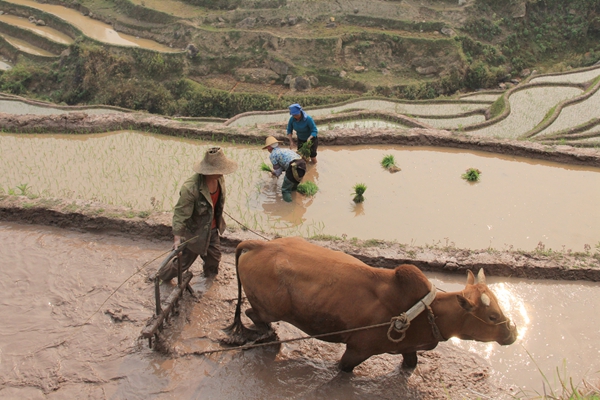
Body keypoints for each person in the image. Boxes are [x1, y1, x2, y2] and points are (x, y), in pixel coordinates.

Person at [158, 147, 238, 282]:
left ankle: (209, 279)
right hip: (194, 233)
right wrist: (177, 239)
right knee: (183, 263)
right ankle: (161, 277)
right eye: (219, 171)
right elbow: (180, 213)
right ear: (208, 171)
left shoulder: (219, 179)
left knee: (214, 258)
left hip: (212, 229)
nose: (222, 173)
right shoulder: (191, 188)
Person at [263, 136, 306, 202]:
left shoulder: (272, 155)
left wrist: (274, 173)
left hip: (293, 167)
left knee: (285, 190)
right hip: (302, 165)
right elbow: (284, 166)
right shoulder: (285, 150)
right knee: (293, 185)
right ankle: (295, 198)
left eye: (267, 148)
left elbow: (278, 171)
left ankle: (289, 206)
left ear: (269, 147)